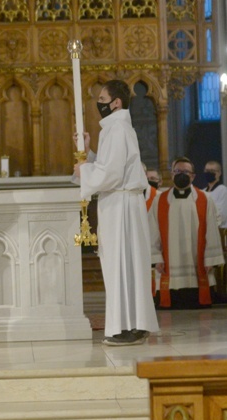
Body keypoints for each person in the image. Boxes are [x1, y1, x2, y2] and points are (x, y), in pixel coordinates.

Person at [73, 79, 159, 346]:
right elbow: (113, 165)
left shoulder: (118, 128)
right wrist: (88, 155)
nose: (98, 103)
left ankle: (126, 328)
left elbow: (110, 174)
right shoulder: (116, 127)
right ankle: (135, 324)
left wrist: (84, 170)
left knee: (121, 265)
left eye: (101, 98)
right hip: (121, 203)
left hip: (120, 206)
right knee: (127, 265)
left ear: (116, 103)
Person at [149, 157, 225, 309]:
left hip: (197, 264)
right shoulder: (159, 200)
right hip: (168, 265)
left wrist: (210, 259)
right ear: (171, 174)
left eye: (185, 171)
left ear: (193, 176)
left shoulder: (205, 199)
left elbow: (211, 230)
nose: (181, 174)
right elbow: (152, 230)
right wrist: (156, 258)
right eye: (177, 171)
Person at [203, 161, 227, 228]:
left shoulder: (222, 190)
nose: (209, 173)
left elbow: (222, 216)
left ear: (219, 173)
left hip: (219, 230)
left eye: (212, 170)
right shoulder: (202, 192)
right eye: (207, 170)